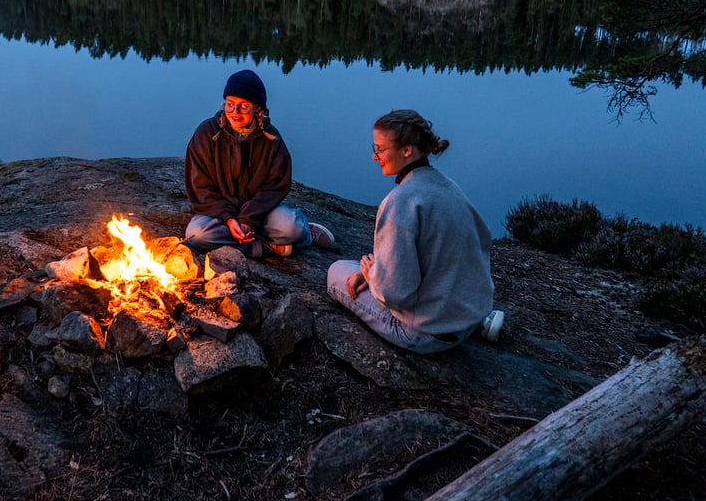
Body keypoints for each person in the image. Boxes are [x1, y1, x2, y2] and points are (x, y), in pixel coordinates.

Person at [327, 109, 504, 353]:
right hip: (467, 319)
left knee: (337, 272)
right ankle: (475, 322)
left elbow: (395, 294)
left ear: (407, 150)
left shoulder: (400, 201)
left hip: (423, 333)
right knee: (369, 270)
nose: (374, 157)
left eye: (379, 149)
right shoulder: (448, 187)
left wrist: (373, 275)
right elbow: (477, 241)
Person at [184, 69, 335, 258]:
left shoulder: (271, 139)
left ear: (258, 109)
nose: (235, 112)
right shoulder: (207, 133)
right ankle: (266, 246)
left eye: (244, 106)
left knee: (291, 227)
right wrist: (229, 219)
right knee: (197, 235)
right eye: (230, 104)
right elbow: (200, 188)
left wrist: (248, 219)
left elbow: (275, 186)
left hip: (260, 213)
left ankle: (306, 234)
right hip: (219, 214)